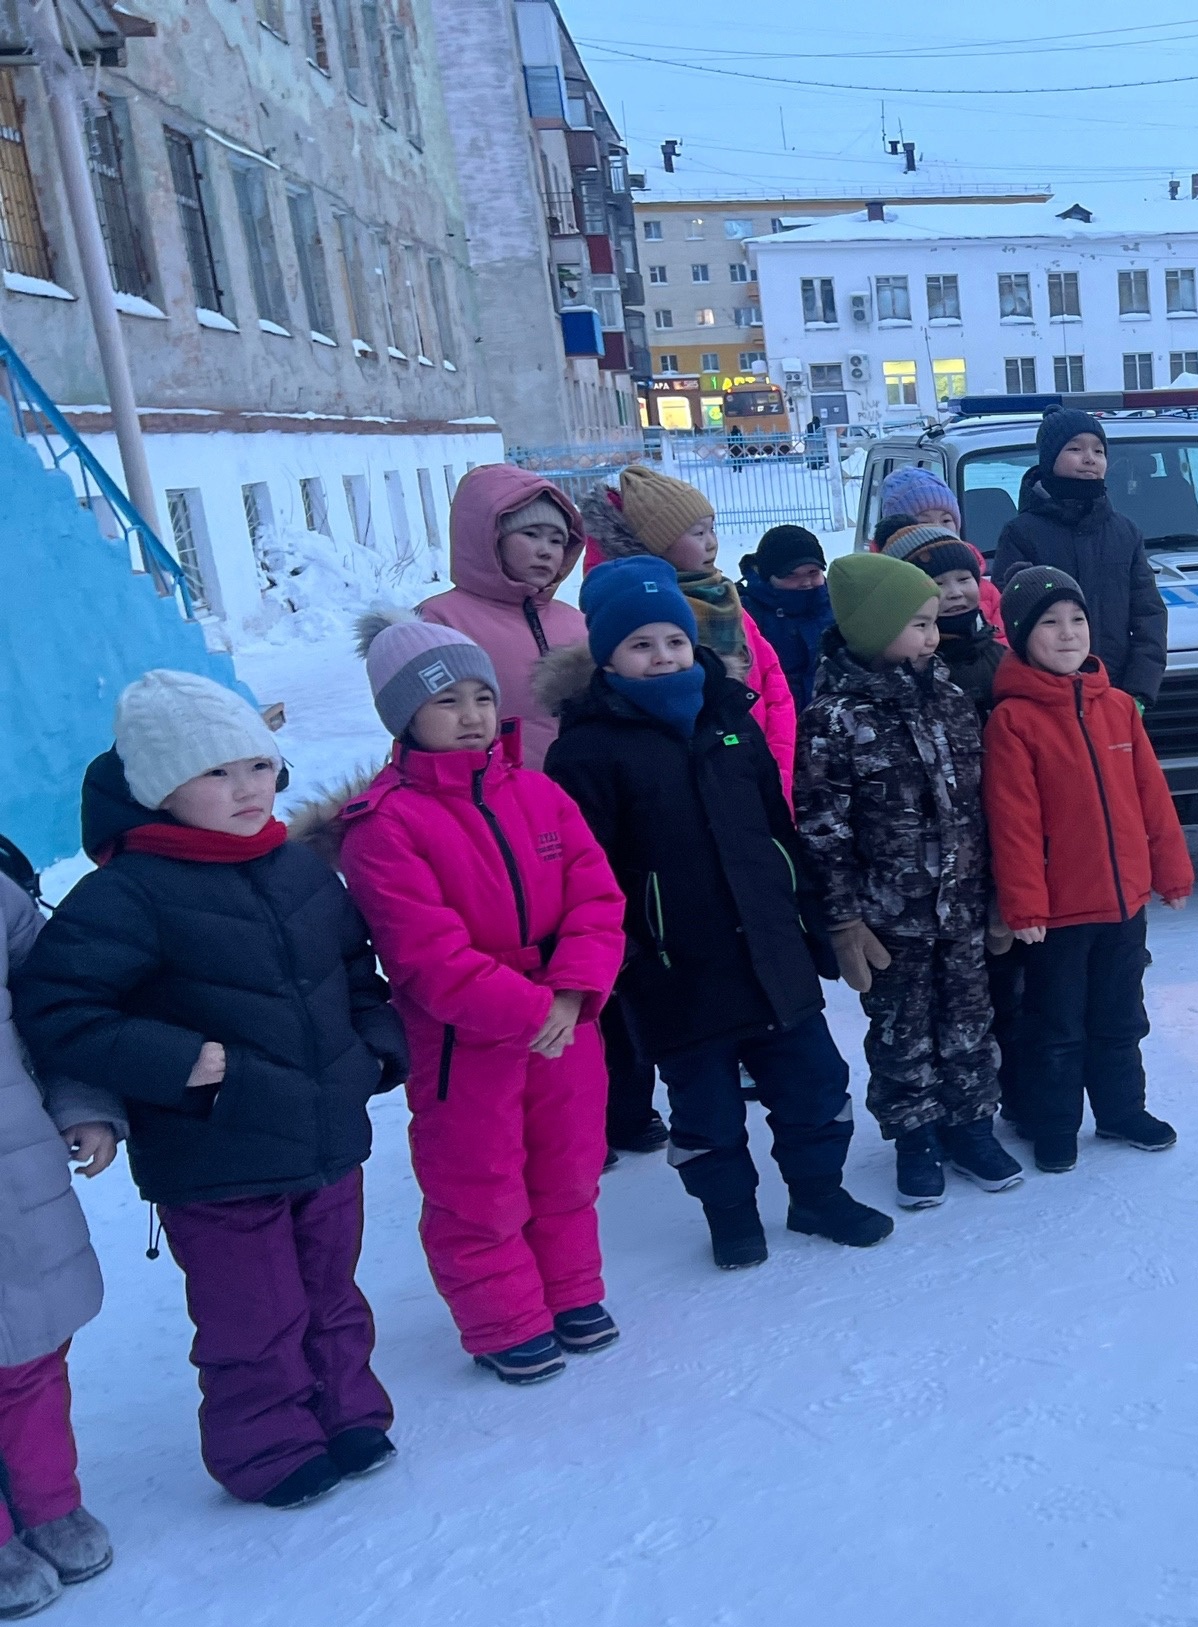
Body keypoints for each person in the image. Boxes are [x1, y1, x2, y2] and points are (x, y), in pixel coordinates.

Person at [20, 673, 408, 1511]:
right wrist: (177, 1060)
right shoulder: (126, 895)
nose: (245, 790)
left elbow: (355, 973)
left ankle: (348, 1414)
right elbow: (60, 1008)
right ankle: (267, 1449)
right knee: (253, 1314)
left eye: (258, 767)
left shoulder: (298, 871)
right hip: (217, 1153)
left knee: (331, 1292)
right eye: (215, 774)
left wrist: (371, 1053)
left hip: (324, 1134)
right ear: (162, 789)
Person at [540, 558, 894, 1267]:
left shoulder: (731, 720)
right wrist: (635, 960)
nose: (663, 656)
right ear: (605, 656)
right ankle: (730, 1215)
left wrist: (812, 922)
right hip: (678, 972)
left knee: (815, 1083)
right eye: (640, 645)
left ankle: (818, 1193)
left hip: (771, 951)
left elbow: (777, 828)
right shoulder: (585, 751)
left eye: (673, 639)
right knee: (705, 1112)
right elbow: (587, 874)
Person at [323, 616, 629, 1385]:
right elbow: (428, 955)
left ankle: (569, 1293)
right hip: (468, 1040)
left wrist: (573, 990)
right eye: (446, 702)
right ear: (403, 718)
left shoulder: (540, 793)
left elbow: (596, 896)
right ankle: (504, 1318)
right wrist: (532, 1012)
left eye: (481, 697)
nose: (471, 717)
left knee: (568, 1166)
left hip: (566, 1024)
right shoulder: (385, 825)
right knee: (479, 1182)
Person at [796, 554, 1021, 1209]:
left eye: (932, 623)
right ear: (873, 629)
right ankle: (915, 1136)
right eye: (918, 624)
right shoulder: (835, 718)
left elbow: (986, 804)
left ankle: (971, 1124)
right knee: (901, 1029)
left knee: (971, 1022)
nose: (932, 633)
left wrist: (1001, 891)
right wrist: (842, 918)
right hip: (890, 915)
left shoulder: (950, 698)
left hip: (964, 905)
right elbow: (823, 829)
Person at [982, 568, 1193, 1175]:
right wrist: (1024, 908)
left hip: (1124, 903)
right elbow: (1013, 823)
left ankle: (1123, 1110)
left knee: (1121, 1017)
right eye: (1049, 622)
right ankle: (1053, 1126)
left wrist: (1170, 872)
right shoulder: (1014, 721)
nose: (1067, 632)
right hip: (1059, 914)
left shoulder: (1119, 706)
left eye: (1075, 619)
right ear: (1021, 636)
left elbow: (1152, 795)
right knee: (1056, 1027)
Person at [0, 878, 123, 1618]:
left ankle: (51, 1505)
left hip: (13, 1172)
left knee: (32, 1352)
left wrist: (85, 1104)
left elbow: (60, 1007)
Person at [585, 465, 798, 805]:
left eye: (712, 530)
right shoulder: (635, 613)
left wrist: (777, 772)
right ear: (659, 545)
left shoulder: (724, 598)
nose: (712, 542)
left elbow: (771, 683)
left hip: (754, 763)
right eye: (698, 534)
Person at [992, 408, 1171, 707]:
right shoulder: (1022, 533)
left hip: (1115, 694)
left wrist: (1139, 690)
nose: (1090, 458)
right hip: (1048, 698)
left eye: (1098, 451)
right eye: (1075, 448)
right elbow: (1011, 619)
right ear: (1049, 458)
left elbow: (1149, 616)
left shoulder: (1124, 533)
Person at [417, 466, 586, 768]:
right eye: (531, 535)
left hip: (578, 794)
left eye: (557, 540)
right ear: (491, 539)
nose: (546, 551)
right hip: (487, 794)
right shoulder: (440, 621)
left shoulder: (575, 622)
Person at [881, 522, 1010, 710]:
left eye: (964, 579)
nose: (956, 593)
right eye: (938, 584)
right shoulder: (907, 669)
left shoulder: (999, 653)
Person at [874, 466, 1005, 627]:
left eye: (946, 520)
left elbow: (1003, 638)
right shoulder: (891, 593)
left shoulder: (984, 588)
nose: (939, 528)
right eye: (925, 522)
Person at [738, 522, 832, 705]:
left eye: (813, 572)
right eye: (791, 575)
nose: (805, 582)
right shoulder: (747, 615)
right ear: (768, 577)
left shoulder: (837, 603)